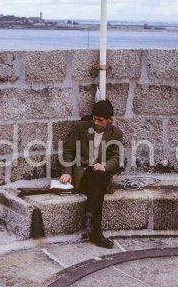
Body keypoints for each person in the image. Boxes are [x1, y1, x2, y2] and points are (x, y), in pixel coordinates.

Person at [59, 99, 123, 248]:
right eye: (94, 118)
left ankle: (89, 218)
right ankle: (96, 233)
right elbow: (68, 151)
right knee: (98, 188)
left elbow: (117, 157)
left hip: (100, 172)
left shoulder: (115, 133)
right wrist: (67, 172)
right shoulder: (81, 127)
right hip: (82, 174)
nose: (96, 122)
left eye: (100, 120)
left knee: (99, 180)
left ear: (109, 120)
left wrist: (105, 166)